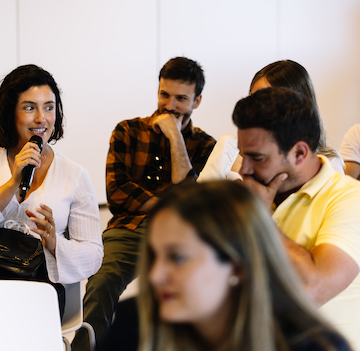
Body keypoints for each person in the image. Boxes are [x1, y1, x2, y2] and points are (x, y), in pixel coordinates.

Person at [97, 181, 351, 351]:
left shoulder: (315, 345)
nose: (155, 276)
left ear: (238, 266)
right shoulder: (134, 322)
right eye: (155, 256)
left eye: (177, 258)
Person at [72, 57, 216, 350]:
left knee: (192, 288)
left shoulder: (205, 145)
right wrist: (170, 202)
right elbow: (116, 194)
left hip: (181, 234)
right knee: (102, 282)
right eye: (164, 95)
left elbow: (189, 199)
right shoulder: (127, 130)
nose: (170, 105)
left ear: (197, 101)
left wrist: (176, 137)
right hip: (130, 228)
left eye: (181, 98)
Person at [0, 65, 104, 315]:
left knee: (6, 312)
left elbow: (93, 255)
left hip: (39, 281)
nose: (41, 118)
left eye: (49, 107)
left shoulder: (75, 175)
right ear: (10, 113)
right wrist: (11, 184)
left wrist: (53, 241)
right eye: (30, 107)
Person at [233, 87, 360, 350]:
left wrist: (259, 218)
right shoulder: (251, 193)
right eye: (242, 154)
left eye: (257, 157)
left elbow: (312, 289)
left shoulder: (350, 200)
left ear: (300, 153)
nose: (243, 169)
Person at [198, 60, 344, 182]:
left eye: (267, 101)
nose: (256, 109)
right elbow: (195, 207)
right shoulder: (229, 145)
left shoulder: (327, 163)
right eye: (253, 99)